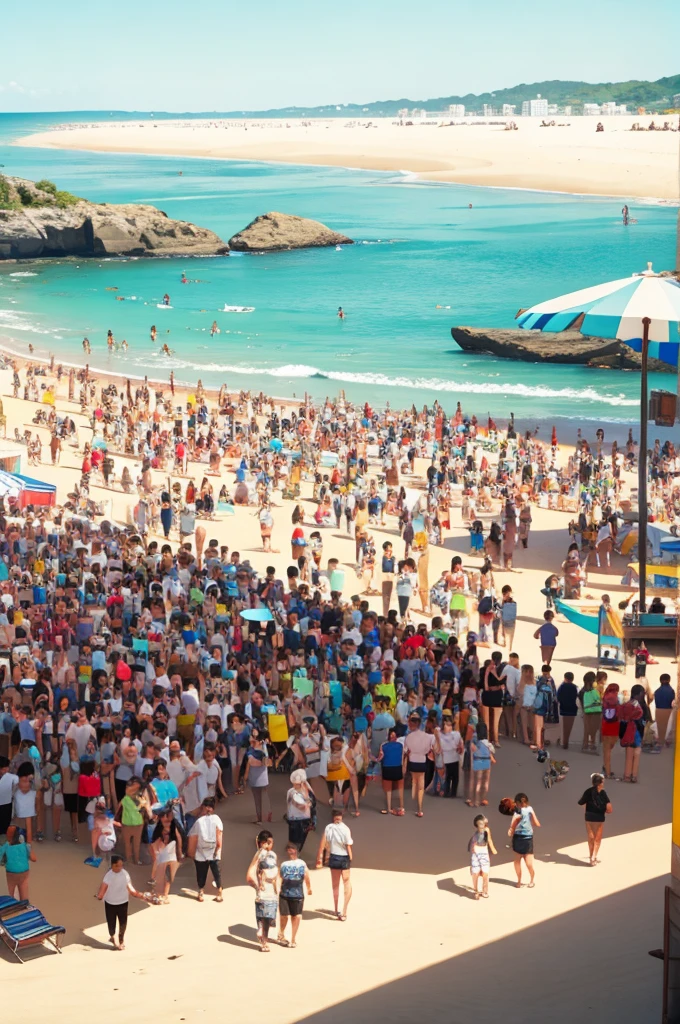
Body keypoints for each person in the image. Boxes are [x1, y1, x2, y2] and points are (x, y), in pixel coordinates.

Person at [96, 853, 148, 950]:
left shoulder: (125, 874)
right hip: (110, 902)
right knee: (111, 921)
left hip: (123, 902)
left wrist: (138, 894)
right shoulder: (108, 875)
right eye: (117, 866)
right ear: (112, 865)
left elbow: (130, 888)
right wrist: (100, 896)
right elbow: (103, 888)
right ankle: (112, 936)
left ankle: (121, 940)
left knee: (123, 922)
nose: (120, 868)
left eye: (121, 865)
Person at [316, 808, 353, 921]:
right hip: (344, 857)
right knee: (346, 882)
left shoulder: (329, 827)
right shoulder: (346, 828)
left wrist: (320, 857)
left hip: (335, 857)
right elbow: (348, 845)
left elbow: (323, 843)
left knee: (335, 885)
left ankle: (337, 909)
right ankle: (344, 911)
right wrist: (350, 857)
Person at [246, 829, 278, 952]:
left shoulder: (258, 854)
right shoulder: (270, 855)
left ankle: (261, 932)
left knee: (261, 913)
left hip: (261, 889)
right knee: (268, 916)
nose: (272, 844)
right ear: (265, 842)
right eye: (270, 842)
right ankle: (264, 940)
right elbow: (274, 872)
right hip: (269, 888)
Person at [187, 796, 223, 902]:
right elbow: (219, 835)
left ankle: (205, 892)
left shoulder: (200, 821)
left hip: (206, 850)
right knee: (212, 872)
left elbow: (193, 837)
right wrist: (218, 849)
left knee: (206, 872)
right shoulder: (215, 819)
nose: (208, 809)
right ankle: (214, 892)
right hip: (209, 850)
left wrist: (191, 852)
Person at [278, 841, 312, 948]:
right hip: (284, 893)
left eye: (292, 849)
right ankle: (281, 933)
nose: (291, 851)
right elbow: (280, 877)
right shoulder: (284, 864)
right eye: (289, 849)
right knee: (284, 916)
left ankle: (293, 938)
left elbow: (306, 876)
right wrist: (277, 888)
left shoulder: (302, 863)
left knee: (296, 916)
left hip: (297, 894)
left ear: (296, 850)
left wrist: (309, 888)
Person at [402, 712, 435, 817]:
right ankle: (420, 808)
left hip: (412, 761)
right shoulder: (427, 736)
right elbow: (432, 746)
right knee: (421, 785)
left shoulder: (408, 737)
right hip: (422, 760)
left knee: (414, 781)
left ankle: (414, 798)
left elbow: (405, 751)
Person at [578, 772, 612, 866]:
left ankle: (591, 856)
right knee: (598, 838)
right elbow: (609, 807)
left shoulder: (588, 791)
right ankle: (594, 856)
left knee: (591, 837)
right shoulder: (603, 792)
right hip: (599, 817)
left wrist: (587, 808)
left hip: (589, 816)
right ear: (600, 783)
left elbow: (581, 802)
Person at [508, 792, 541, 888]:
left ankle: (532, 880)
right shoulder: (516, 811)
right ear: (517, 803)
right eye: (521, 803)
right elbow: (513, 823)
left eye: (524, 803)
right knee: (517, 862)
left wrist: (536, 822)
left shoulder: (530, 809)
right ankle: (519, 881)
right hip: (518, 838)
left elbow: (535, 821)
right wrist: (511, 829)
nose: (522, 805)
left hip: (527, 838)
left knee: (529, 863)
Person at [0, 824, 36, 901]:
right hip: (24, 871)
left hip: (11, 872)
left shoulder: (6, 846)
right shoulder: (25, 845)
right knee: (24, 892)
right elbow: (34, 858)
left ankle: (10, 904)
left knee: (9, 892)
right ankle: (25, 906)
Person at [468, 813, 497, 899]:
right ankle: (476, 891)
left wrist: (493, 849)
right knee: (475, 873)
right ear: (477, 825)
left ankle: (485, 891)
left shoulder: (487, 830)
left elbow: (489, 840)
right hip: (476, 850)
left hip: (484, 850)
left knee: (485, 873)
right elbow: (473, 845)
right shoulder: (475, 835)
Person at [378, 727, 405, 815]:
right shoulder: (400, 745)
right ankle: (401, 806)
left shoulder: (383, 745)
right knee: (400, 787)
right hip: (397, 767)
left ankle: (389, 807)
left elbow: (380, 757)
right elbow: (403, 756)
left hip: (387, 767)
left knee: (388, 789)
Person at [286, 768, 313, 851]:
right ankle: (294, 854)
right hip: (295, 820)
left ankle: (297, 853)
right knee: (294, 841)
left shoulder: (306, 792)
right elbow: (300, 805)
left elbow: (313, 801)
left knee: (301, 840)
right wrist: (307, 802)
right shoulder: (292, 792)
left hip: (304, 819)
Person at [557, 671, 578, 749]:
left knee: (564, 727)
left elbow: (558, 697)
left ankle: (563, 741)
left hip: (563, 708)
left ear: (565, 678)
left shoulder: (562, 686)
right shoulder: (574, 687)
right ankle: (567, 741)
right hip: (572, 709)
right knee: (569, 727)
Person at [654, 673, 675, 748]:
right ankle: (666, 741)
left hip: (658, 709)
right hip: (668, 709)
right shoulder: (671, 691)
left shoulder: (657, 691)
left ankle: (660, 741)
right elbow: (672, 701)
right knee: (668, 726)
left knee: (660, 726)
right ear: (669, 680)